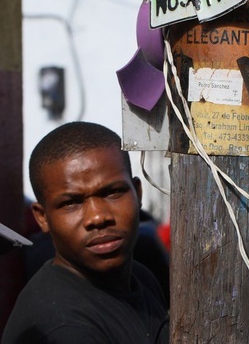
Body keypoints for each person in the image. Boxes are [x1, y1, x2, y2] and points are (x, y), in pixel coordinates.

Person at [2, 122, 169, 343]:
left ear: (137, 193)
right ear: (42, 217)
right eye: (71, 203)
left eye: (112, 192)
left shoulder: (140, 277)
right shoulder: (63, 328)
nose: (98, 217)